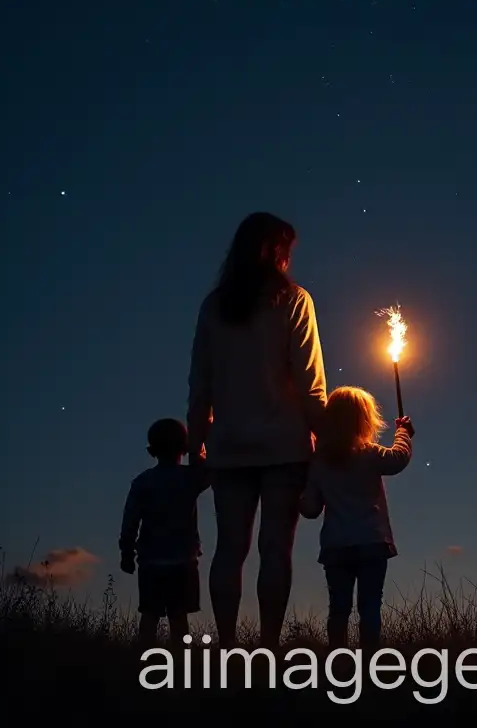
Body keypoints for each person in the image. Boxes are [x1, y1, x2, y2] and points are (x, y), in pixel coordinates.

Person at [186, 212, 327, 649]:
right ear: (276, 250)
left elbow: (200, 383)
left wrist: (197, 448)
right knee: (275, 551)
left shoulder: (215, 306)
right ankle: (266, 646)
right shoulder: (294, 301)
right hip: (285, 446)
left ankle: (228, 646)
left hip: (228, 447)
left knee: (230, 549)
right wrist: (326, 442)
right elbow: (311, 382)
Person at [300, 386, 413, 650]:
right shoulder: (369, 453)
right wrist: (403, 433)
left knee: (338, 608)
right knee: (370, 606)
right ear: (364, 419)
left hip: (336, 546)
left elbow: (311, 510)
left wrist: (298, 492)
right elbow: (398, 459)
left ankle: (337, 658)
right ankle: (368, 659)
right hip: (371, 543)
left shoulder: (319, 462)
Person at [119, 417, 209, 649]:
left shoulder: (142, 482)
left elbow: (130, 521)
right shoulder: (191, 478)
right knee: (179, 617)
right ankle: (180, 662)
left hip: (151, 562)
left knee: (149, 615)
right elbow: (210, 468)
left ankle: (142, 657)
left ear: (152, 451)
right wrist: (198, 449)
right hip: (184, 561)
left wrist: (127, 552)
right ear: (184, 447)